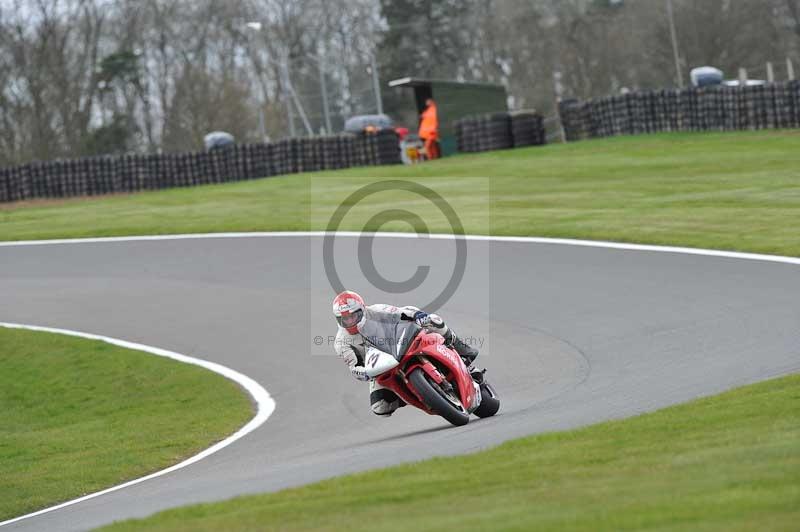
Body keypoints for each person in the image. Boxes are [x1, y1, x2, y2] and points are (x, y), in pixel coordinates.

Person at [332, 290, 480, 417]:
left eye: (353, 316)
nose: (350, 321)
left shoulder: (375, 311)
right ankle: (415, 393)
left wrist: (417, 315)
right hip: (381, 366)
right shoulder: (341, 343)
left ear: (362, 310)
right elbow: (354, 367)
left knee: (433, 320)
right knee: (380, 407)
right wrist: (364, 373)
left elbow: (400, 312)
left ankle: (462, 350)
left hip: (401, 343)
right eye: (345, 319)